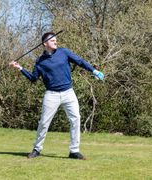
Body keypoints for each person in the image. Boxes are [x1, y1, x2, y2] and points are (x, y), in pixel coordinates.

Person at [9, 31, 104, 160]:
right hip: (51, 95)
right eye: (52, 40)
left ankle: (74, 151)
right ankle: (37, 149)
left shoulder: (64, 52)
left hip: (68, 93)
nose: (55, 41)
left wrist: (94, 70)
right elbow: (33, 78)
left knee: (76, 119)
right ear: (45, 43)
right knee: (43, 123)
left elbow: (80, 62)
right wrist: (20, 68)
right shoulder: (40, 61)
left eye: (56, 40)